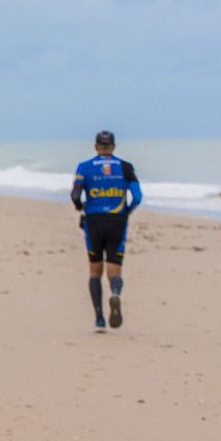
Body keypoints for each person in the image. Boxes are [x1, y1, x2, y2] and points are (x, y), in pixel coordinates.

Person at [71, 130, 142, 330]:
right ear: (113, 147)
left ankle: (100, 318)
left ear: (96, 147)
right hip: (117, 221)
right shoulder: (126, 168)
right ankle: (115, 294)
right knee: (114, 270)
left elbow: (75, 194)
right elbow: (137, 196)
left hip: (93, 221)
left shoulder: (84, 168)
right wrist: (127, 211)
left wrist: (80, 206)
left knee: (95, 270)